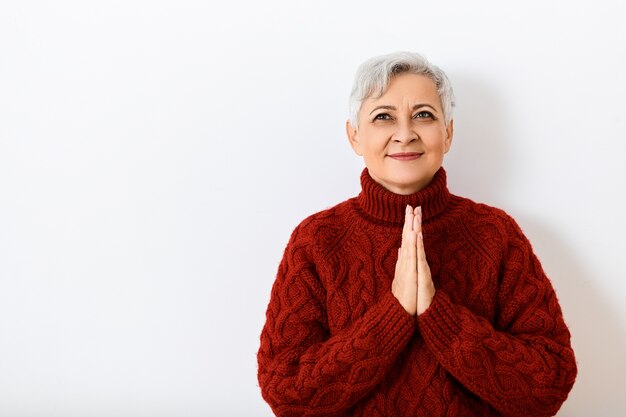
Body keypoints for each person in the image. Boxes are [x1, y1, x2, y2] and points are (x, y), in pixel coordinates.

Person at [257, 51, 577, 416]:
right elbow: (287, 393)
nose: (405, 134)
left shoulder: (494, 234)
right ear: (355, 137)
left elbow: (548, 384)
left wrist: (437, 313)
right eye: (383, 117)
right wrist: (392, 315)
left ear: (448, 132)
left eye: (424, 115)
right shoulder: (317, 240)